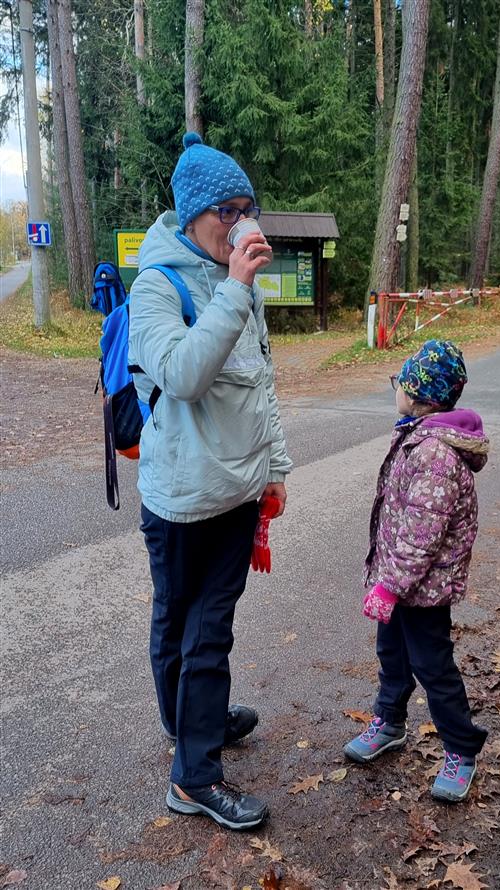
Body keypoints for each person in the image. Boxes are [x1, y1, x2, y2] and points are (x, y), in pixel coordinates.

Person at [128, 132, 292, 830]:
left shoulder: (240, 285)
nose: (240, 221)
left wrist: (276, 470)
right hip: (181, 499)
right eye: (227, 209)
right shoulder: (155, 285)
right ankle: (193, 778)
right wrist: (234, 288)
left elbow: (261, 383)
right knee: (190, 628)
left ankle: (190, 724)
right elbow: (185, 376)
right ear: (193, 215)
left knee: (200, 630)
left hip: (236, 492)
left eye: (247, 206)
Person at [343, 340, 489, 803]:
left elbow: (420, 534)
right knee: (393, 655)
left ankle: (461, 750)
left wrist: (389, 585)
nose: (395, 392)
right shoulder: (416, 433)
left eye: (399, 384)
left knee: (433, 666)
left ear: (419, 395)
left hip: (422, 589)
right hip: (401, 583)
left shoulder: (435, 455)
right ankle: (390, 720)